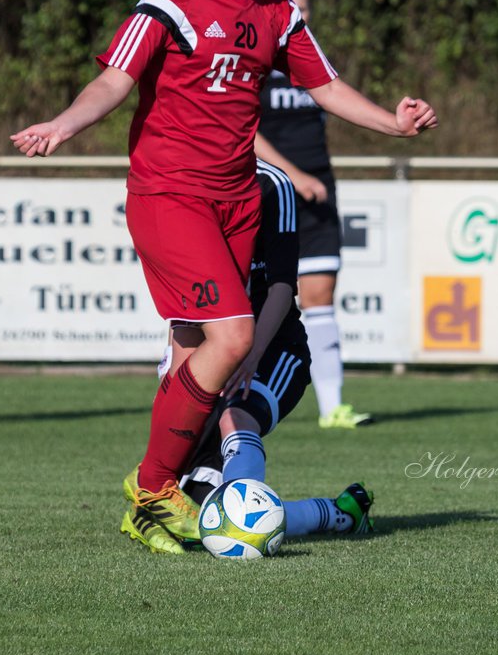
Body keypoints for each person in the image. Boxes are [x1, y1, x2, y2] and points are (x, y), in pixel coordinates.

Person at [11, 0, 437, 554]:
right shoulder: (172, 3)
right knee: (232, 337)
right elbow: (115, 81)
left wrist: (392, 123)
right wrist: (65, 122)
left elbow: (324, 87)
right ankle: (151, 489)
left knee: (188, 349)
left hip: (237, 197)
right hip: (169, 192)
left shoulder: (276, 12)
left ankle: (164, 497)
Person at [132, 160, 375, 545]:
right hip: (217, 351)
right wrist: (173, 364)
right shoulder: (181, 180)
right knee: (202, 513)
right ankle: (339, 513)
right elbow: (187, 300)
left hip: (275, 347)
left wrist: (250, 351)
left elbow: (282, 285)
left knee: (235, 417)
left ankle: (301, 521)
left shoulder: (273, 184)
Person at [253, 0, 367, 430]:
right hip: (271, 192)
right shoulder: (255, 65)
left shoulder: (315, 66)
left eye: (305, 10)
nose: (299, 17)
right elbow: (245, 132)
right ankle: (237, 390)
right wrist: (293, 176)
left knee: (320, 296)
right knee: (256, 299)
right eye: (291, 8)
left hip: (318, 195)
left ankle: (332, 407)